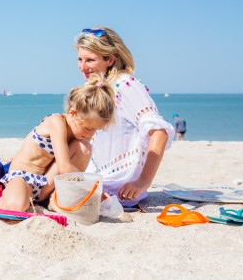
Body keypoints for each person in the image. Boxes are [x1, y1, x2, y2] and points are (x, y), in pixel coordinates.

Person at [74, 27, 174, 206]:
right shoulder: (101, 87)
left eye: (90, 60)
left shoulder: (125, 85)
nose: (82, 67)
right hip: (97, 182)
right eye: (80, 59)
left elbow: (159, 132)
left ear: (110, 59)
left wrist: (144, 181)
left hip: (118, 191)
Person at [0, 75, 115, 212]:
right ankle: (0, 197)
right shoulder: (56, 122)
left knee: (84, 147)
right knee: (15, 207)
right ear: (73, 113)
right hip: (23, 178)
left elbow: (68, 170)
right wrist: (92, 190)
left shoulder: (80, 134)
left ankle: (55, 198)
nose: (90, 134)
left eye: (96, 130)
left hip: (46, 184)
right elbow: (65, 167)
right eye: (88, 128)